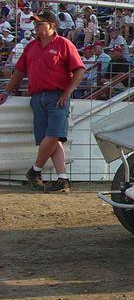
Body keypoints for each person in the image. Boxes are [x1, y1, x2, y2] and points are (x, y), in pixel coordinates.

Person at [0, 10, 85, 192]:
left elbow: (79, 70)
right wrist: (6, 92)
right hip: (38, 96)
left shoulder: (64, 44)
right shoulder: (31, 47)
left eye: (40, 23)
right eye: (36, 23)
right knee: (53, 138)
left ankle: (35, 170)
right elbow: (19, 72)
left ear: (52, 25)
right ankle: (63, 178)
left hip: (56, 95)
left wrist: (67, 93)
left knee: (53, 135)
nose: (36, 26)